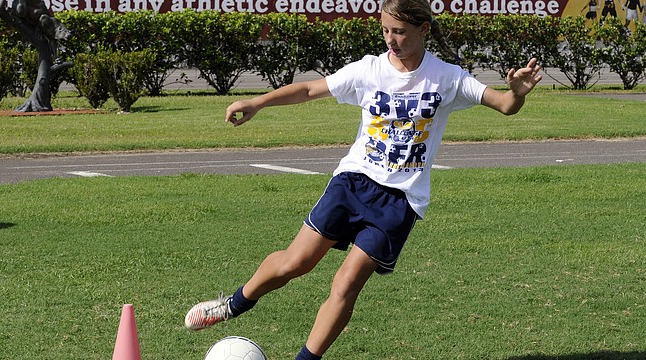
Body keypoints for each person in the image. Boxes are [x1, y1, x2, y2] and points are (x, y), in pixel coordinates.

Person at [184, 0, 542, 359]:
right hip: (354, 183)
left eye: (400, 31)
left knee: (346, 283)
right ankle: (233, 304)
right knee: (297, 262)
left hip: (400, 200)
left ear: (424, 30)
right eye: (386, 30)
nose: (392, 39)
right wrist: (259, 102)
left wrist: (516, 92)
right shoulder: (369, 70)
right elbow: (310, 90)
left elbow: (504, 104)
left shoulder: (447, 77)